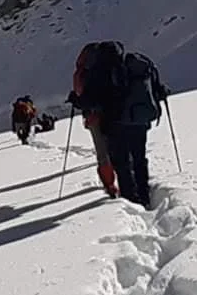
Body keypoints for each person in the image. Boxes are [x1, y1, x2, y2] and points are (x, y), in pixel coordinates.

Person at [68, 41, 169, 208]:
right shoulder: (135, 65)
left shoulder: (100, 70)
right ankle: (144, 194)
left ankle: (131, 199)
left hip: (115, 124)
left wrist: (76, 100)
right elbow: (156, 89)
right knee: (139, 158)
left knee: (122, 163)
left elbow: (91, 100)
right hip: (139, 122)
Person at [67, 43, 118, 198]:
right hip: (118, 113)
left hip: (94, 117)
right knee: (119, 148)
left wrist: (76, 100)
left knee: (103, 153)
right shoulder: (114, 66)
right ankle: (129, 182)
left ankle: (110, 185)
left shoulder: (85, 72)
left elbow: (84, 98)